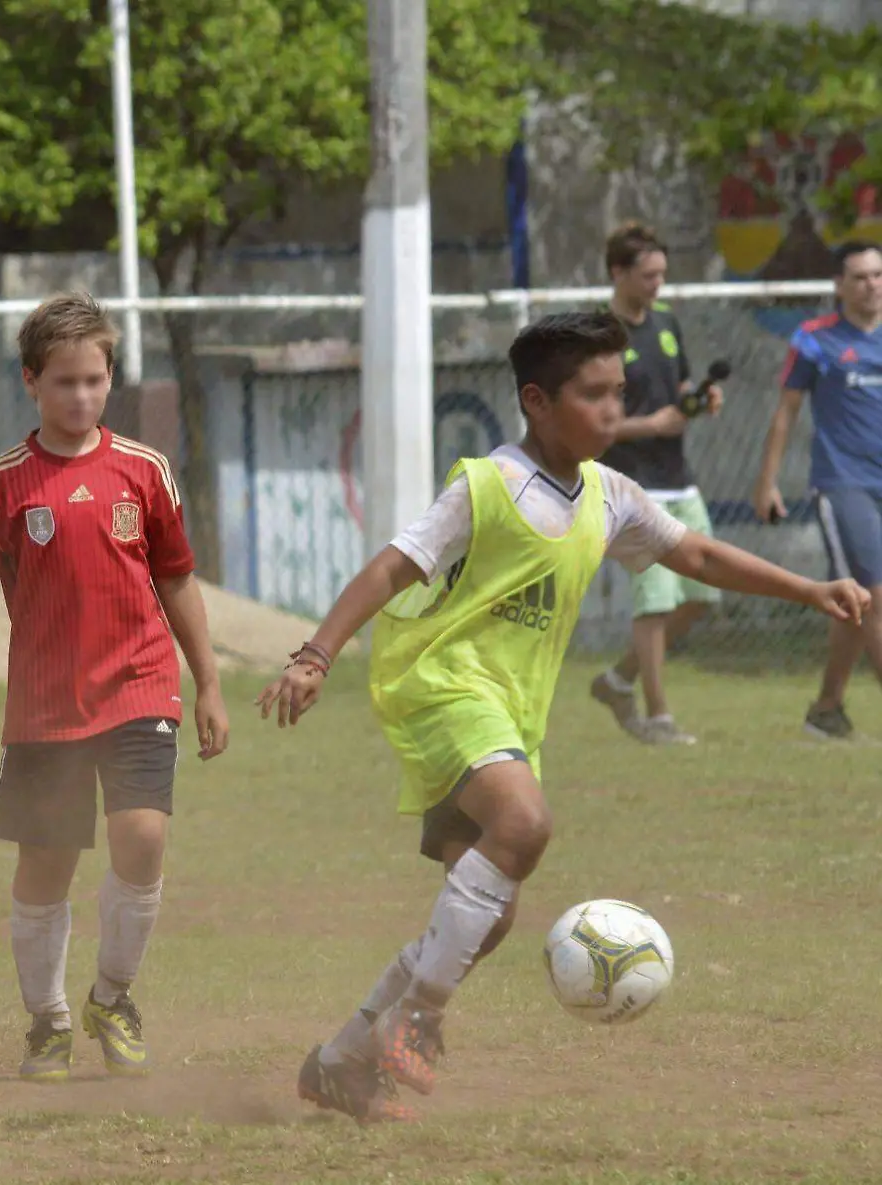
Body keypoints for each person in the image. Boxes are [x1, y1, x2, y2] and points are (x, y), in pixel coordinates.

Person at [256, 311, 867, 1125]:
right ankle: (419, 1017)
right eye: (595, 394)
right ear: (537, 401)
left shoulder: (610, 496)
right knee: (526, 822)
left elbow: (699, 555)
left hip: (510, 716)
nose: (614, 409)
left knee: (489, 918)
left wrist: (810, 589)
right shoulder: (489, 483)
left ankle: (339, 1062)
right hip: (442, 687)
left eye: (621, 392)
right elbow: (389, 568)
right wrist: (315, 654)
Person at [0, 293, 229, 1082]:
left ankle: (113, 996)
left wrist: (209, 684)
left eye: (95, 379)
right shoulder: (2, 484)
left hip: (140, 682)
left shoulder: (145, 470)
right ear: (31, 380)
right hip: (47, 702)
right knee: (45, 864)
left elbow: (178, 579)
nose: (82, 396)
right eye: (64, 382)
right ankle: (48, 1021)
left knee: (144, 836)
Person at [588, 223, 725, 745]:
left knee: (702, 597)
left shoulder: (667, 324)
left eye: (663, 275)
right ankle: (659, 717)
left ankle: (618, 679)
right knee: (655, 603)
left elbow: (680, 387)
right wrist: (648, 425)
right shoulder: (597, 336)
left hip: (678, 478)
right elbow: (585, 419)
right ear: (618, 273)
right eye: (648, 275)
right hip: (632, 486)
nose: (658, 285)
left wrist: (700, 401)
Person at [753, 240, 882, 739]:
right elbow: (785, 413)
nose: (872, 285)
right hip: (843, 483)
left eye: (878, 275)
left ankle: (826, 711)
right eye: (860, 277)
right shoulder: (814, 338)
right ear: (839, 285)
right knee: (873, 595)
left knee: (850, 603)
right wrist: (767, 482)